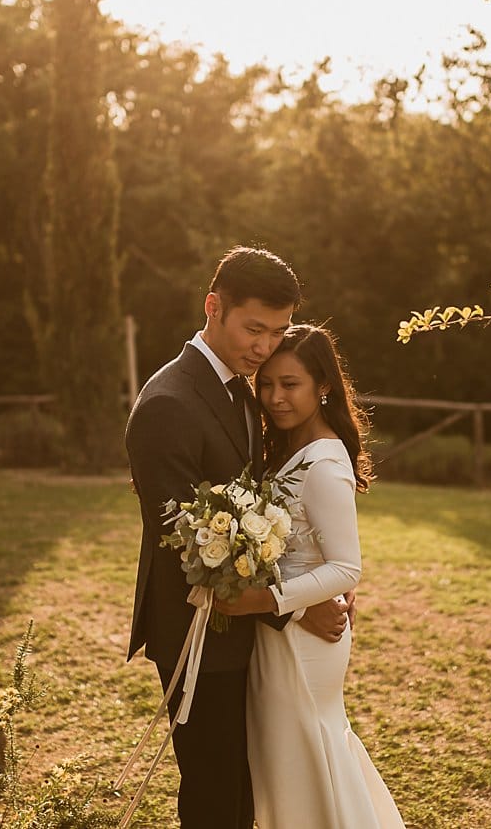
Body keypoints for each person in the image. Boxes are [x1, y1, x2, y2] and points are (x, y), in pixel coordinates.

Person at [124, 247, 353, 829]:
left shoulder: (243, 391)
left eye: (277, 333)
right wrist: (293, 609)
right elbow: (186, 541)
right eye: (254, 329)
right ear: (213, 307)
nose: (265, 346)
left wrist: (307, 585)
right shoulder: (168, 403)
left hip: (243, 627)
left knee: (247, 785)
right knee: (215, 788)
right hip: (200, 628)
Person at [215, 324, 405, 828]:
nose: (276, 397)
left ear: (322, 386)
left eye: (291, 384)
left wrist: (265, 601)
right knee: (296, 759)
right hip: (286, 631)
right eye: (268, 384)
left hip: (305, 641)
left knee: (306, 756)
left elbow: (346, 567)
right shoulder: (291, 449)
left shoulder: (322, 461)